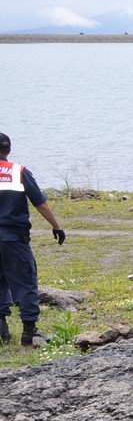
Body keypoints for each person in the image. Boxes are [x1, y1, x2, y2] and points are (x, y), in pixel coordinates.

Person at [0, 132, 65, 346]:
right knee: (25, 281)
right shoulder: (18, 172)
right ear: (8, 150)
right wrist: (56, 226)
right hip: (13, 238)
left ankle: (2, 330)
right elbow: (40, 203)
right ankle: (30, 332)